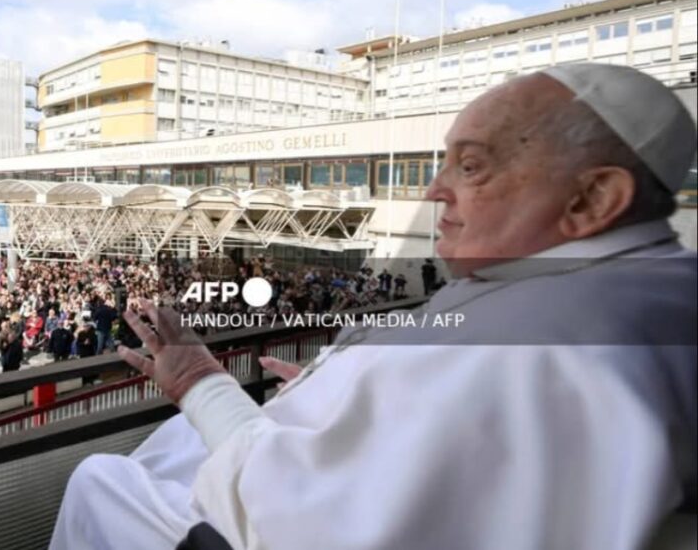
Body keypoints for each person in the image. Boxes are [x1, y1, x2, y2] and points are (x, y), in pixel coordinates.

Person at [51, 63, 697, 549]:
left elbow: (301, 518)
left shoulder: (535, 340)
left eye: (470, 166)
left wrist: (199, 380)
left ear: (591, 198)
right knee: (170, 447)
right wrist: (343, 395)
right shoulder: (642, 284)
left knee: (100, 480)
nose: (437, 189)